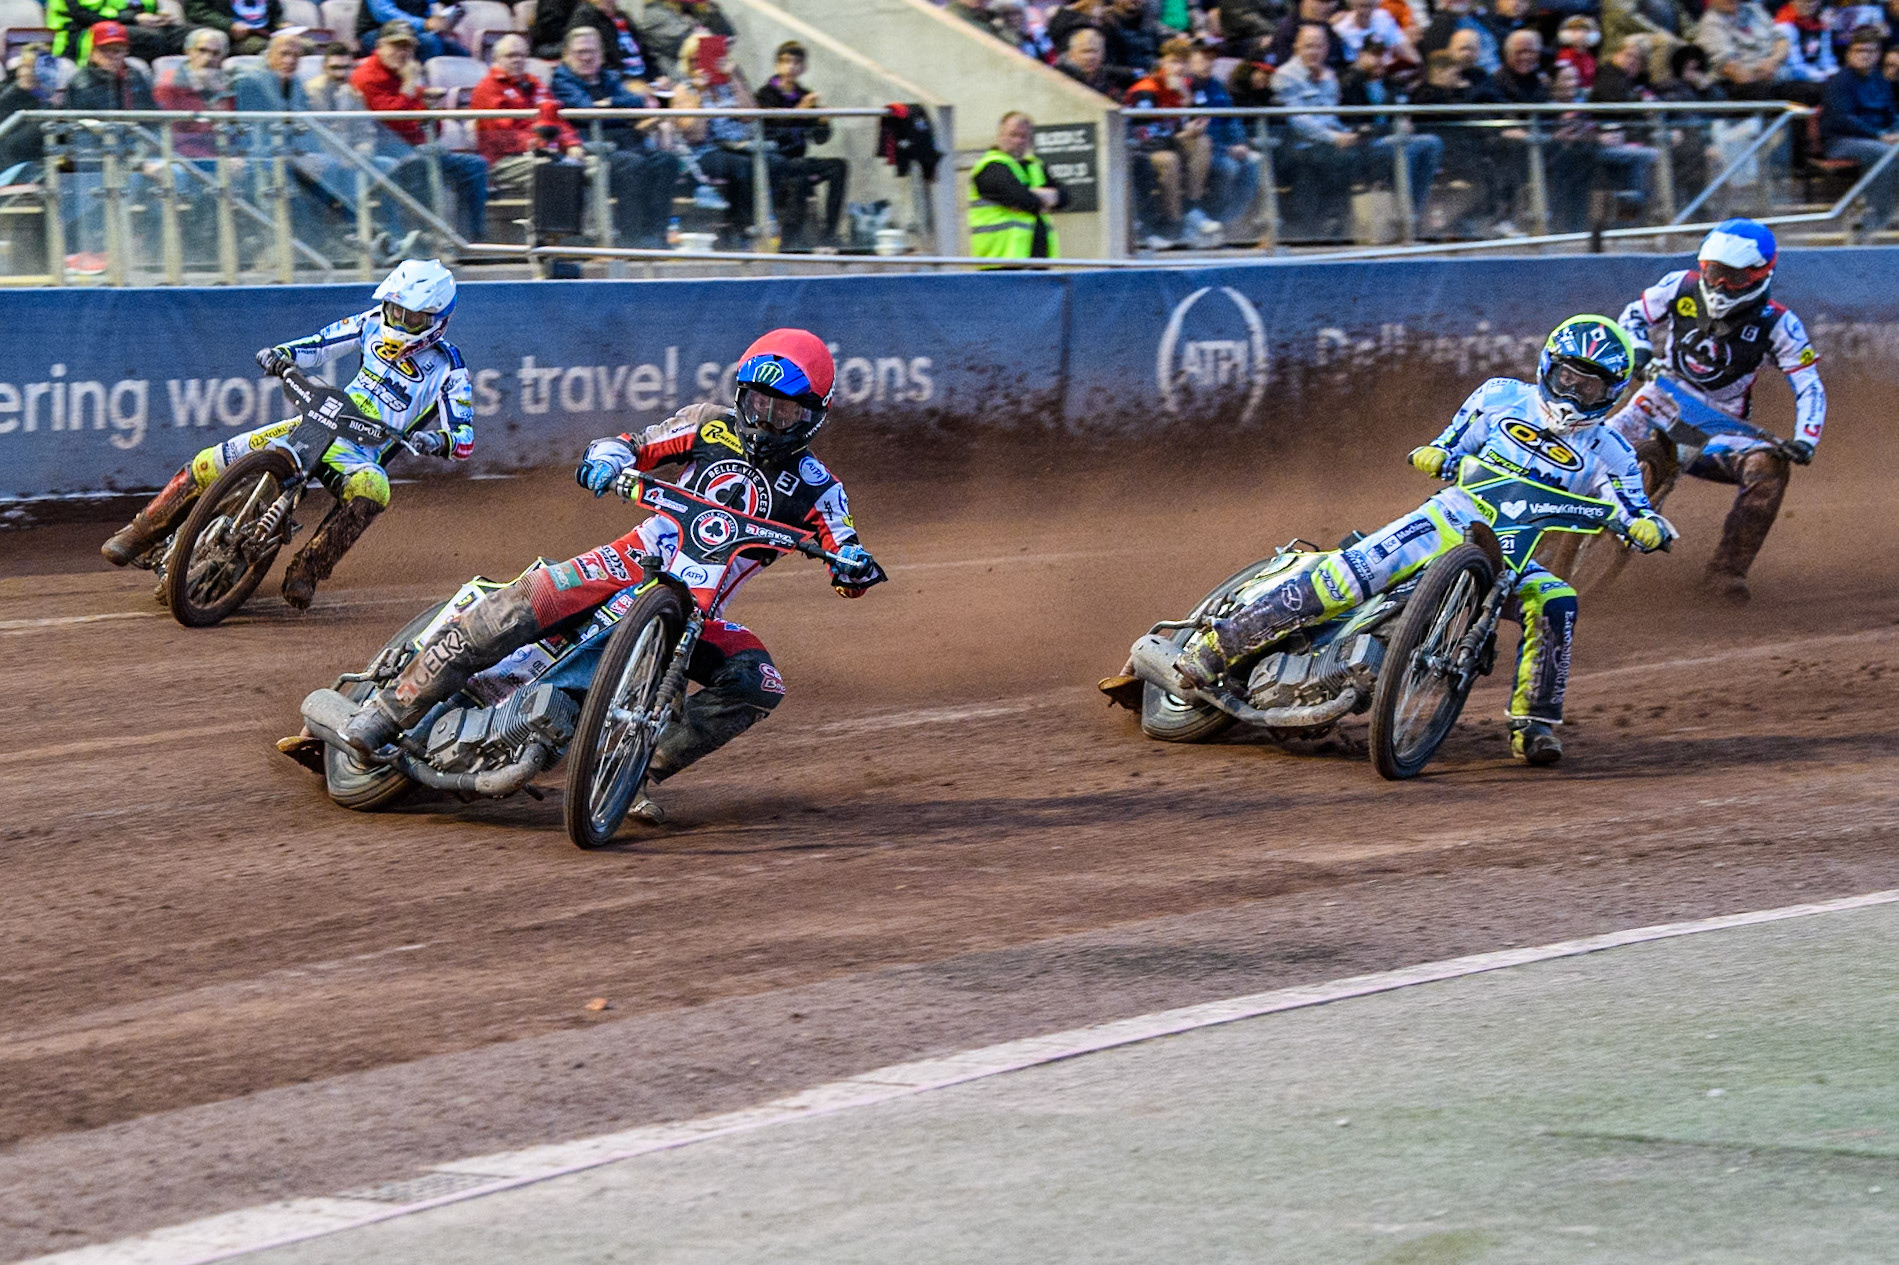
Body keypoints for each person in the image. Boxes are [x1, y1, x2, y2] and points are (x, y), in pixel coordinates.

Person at [326, 328, 887, 825]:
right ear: (741, 397)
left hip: (700, 608)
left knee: (759, 682)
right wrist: (607, 459)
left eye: (785, 411)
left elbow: (847, 551)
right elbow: (632, 444)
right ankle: (385, 712)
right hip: (630, 558)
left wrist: (855, 566)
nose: (768, 419)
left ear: (814, 415)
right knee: (520, 606)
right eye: (760, 403)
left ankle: (630, 768)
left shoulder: (819, 488)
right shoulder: (706, 425)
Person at [1170, 315, 1674, 766]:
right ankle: (1218, 646)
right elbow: (1449, 441)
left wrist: (1646, 527)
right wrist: (1434, 454)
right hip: (1449, 518)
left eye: (1590, 387)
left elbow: (1633, 505)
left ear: (1612, 391)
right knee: (1349, 575)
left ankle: (1534, 725)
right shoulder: (1499, 396)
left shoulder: (1610, 451)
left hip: (1514, 554)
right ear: (1549, 366)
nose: (1574, 393)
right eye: (1568, 377)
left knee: (1558, 600)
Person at [101, 260, 475, 609]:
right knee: (209, 460)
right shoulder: (371, 322)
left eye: (410, 316)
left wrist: (438, 441)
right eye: (395, 309)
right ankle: (140, 532)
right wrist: (282, 354)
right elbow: (320, 345)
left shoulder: (449, 368)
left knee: (375, 488)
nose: (397, 319)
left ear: (436, 320)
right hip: (319, 419)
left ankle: (307, 570)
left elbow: (464, 437)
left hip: (360, 452)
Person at [1605, 219, 1825, 600]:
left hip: (1715, 432)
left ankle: (1725, 573)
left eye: (1734, 277)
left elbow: (1809, 385)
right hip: (1657, 404)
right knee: (1586, 448)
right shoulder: (1680, 285)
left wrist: (1806, 438)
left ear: (1761, 275)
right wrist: (1639, 349)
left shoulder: (1778, 323)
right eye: (1714, 273)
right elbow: (1634, 316)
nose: (1721, 285)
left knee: (1768, 468)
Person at [352, 21, 490, 241]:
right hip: (382, 151)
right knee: (418, 165)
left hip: (416, 149)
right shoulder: (367, 76)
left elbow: (434, 128)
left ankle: (473, 239)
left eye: (407, 47)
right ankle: (398, 241)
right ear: (379, 45)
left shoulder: (406, 73)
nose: (402, 53)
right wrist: (410, 86)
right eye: (396, 46)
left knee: (475, 166)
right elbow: (396, 123)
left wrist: (430, 108)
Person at [549, 26, 683, 249]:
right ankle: (631, 239)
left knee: (666, 160)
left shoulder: (608, 76)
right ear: (567, 55)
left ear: (601, 54)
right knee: (633, 164)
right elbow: (587, 113)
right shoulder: (562, 80)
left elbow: (637, 102)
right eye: (580, 52)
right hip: (592, 147)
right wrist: (612, 110)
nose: (586, 57)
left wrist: (608, 106)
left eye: (591, 51)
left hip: (627, 142)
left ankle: (656, 236)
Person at [1126, 36, 1222, 247]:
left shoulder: (1189, 86)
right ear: (1162, 63)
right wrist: (1177, 136)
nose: (1178, 67)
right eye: (1173, 61)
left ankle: (1191, 211)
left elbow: (1204, 116)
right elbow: (1144, 136)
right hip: (1141, 150)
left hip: (1171, 142)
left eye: (1183, 62)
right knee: (1170, 160)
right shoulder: (1147, 89)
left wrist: (1187, 100)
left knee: (1203, 142)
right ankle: (1173, 224)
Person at [754, 40, 848, 251]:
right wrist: (800, 110)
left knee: (838, 166)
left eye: (796, 62)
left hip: (799, 160)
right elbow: (773, 127)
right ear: (777, 65)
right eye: (786, 62)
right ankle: (789, 244)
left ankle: (829, 234)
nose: (791, 67)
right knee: (799, 180)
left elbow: (819, 139)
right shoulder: (765, 95)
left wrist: (823, 121)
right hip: (775, 161)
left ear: (803, 67)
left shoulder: (806, 95)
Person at [472, 33, 584, 198]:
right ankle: (547, 224)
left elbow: (557, 120)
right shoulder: (487, 89)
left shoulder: (536, 84)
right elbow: (503, 136)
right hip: (505, 160)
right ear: (496, 58)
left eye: (521, 55)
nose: (517, 60)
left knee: (596, 167)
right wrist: (543, 143)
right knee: (550, 170)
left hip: (546, 151)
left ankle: (596, 222)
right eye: (510, 55)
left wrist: (572, 144)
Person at [1820, 27, 1898, 230]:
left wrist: (1895, 132)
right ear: (1849, 53)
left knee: (1891, 149)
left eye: (1869, 51)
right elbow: (1843, 119)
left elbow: (1892, 113)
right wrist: (1880, 135)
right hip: (1841, 141)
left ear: (1878, 54)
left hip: (1878, 138)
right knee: (1886, 153)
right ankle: (1873, 213)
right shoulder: (1840, 81)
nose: (1864, 56)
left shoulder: (1881, 81)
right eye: (1859, 51)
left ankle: (1885, 210)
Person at [969, 110, 1064, 260]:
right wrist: (1046, 197)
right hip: (1001, 261)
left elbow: (1065, 197)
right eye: (1013, 135)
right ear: (1000, 135)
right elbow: (1022, 199)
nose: (1018, 141)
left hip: (1038, 260)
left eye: (1024, 137)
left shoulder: (1035, 165)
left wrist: (1031, 195)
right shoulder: (990, 166)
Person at [154, 27, 234, 159]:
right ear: (188, 51)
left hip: (225, 159)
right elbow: (171, 139)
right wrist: (213, 159)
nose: (208, 58)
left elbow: (236, 132)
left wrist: (233, 157)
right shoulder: (169, 86)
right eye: (202, 50)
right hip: (185, 161)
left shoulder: (229, 87)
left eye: (216, 53)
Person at [48, 0, 185, 62]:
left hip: (130, 25)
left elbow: (139, 7)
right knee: (153, 39)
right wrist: (134, 18)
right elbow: (85, 16)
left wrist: (158, 17)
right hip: (83, 32)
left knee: (188, 36)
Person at [354, 0, 470, 60]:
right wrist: (425, 24)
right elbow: (383, 14)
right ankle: (424, 89)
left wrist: (453, 13)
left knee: (460, 52)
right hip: (377, 32)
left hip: (414, 32)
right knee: (430, 42)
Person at [563, 0, 648, 75]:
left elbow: (645, 51)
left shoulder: (623, 17)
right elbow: (596, 63)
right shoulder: (585, 17)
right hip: (619, 81)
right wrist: (625, 81)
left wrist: (657, 76)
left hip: (644, 78)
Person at [184, 0, 282, 56]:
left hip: (266, 32)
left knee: (292, 43)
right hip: (231, 37)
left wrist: (281, 24)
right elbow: (196, 12)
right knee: (277, 49)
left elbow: (275, 11)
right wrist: (229, 25)